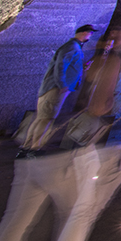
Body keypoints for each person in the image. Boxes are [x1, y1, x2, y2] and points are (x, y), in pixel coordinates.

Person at [21, 25, 97, 153]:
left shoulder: (73, 46)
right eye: (90, 34)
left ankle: (28, 146)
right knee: (46, 118)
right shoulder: (71, 47)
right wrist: (62, 85)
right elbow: (60, 67)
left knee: (42, 117)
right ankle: (35, 147)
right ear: (84, 33)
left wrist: (80, 68)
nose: (90, 36)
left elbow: (67, 65)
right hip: (55, 89)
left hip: (54, 87)